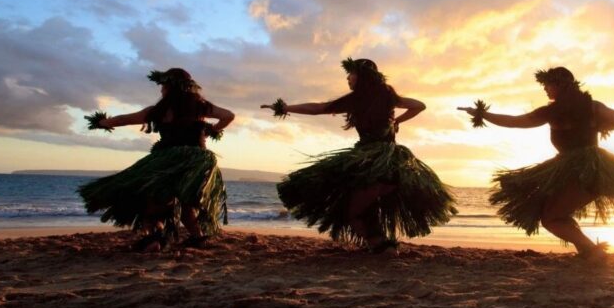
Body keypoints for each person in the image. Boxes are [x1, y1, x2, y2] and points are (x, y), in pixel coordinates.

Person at [459, 67, 614, 260]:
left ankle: (592, 251)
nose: (545, 89)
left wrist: (482, 114)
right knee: (556, 214)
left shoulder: (552, 112)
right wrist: (597, 126)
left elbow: (515, 122)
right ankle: (588, 251)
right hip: (594, 168)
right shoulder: (592, 106)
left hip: (580, 171)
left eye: (547, 85)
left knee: (551, 218)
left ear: (562, 85)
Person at [263, 58, 456, 253]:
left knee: (350, 210)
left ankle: (381, 245)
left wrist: (285, 108)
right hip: (393, 164)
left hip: (371, 165)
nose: (348, 78)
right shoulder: (388, 94)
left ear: (362, 76)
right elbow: (418, 105)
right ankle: (380, 243)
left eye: (351, 74)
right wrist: (397, 121)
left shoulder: (356, 99)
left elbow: (318, 108)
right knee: (364, 206)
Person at [79, 68, 234, 251]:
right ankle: (198, 239)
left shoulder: (158, 111)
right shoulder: (200, 106)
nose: (161, 90)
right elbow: (228, 116)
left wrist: (102, 122)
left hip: (167, 160)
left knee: (155, 199)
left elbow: (124, 119)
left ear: (170, 87)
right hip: (197, 162)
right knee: (185, 203)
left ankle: (154, 238)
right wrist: (213, 129)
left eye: (163, 86)